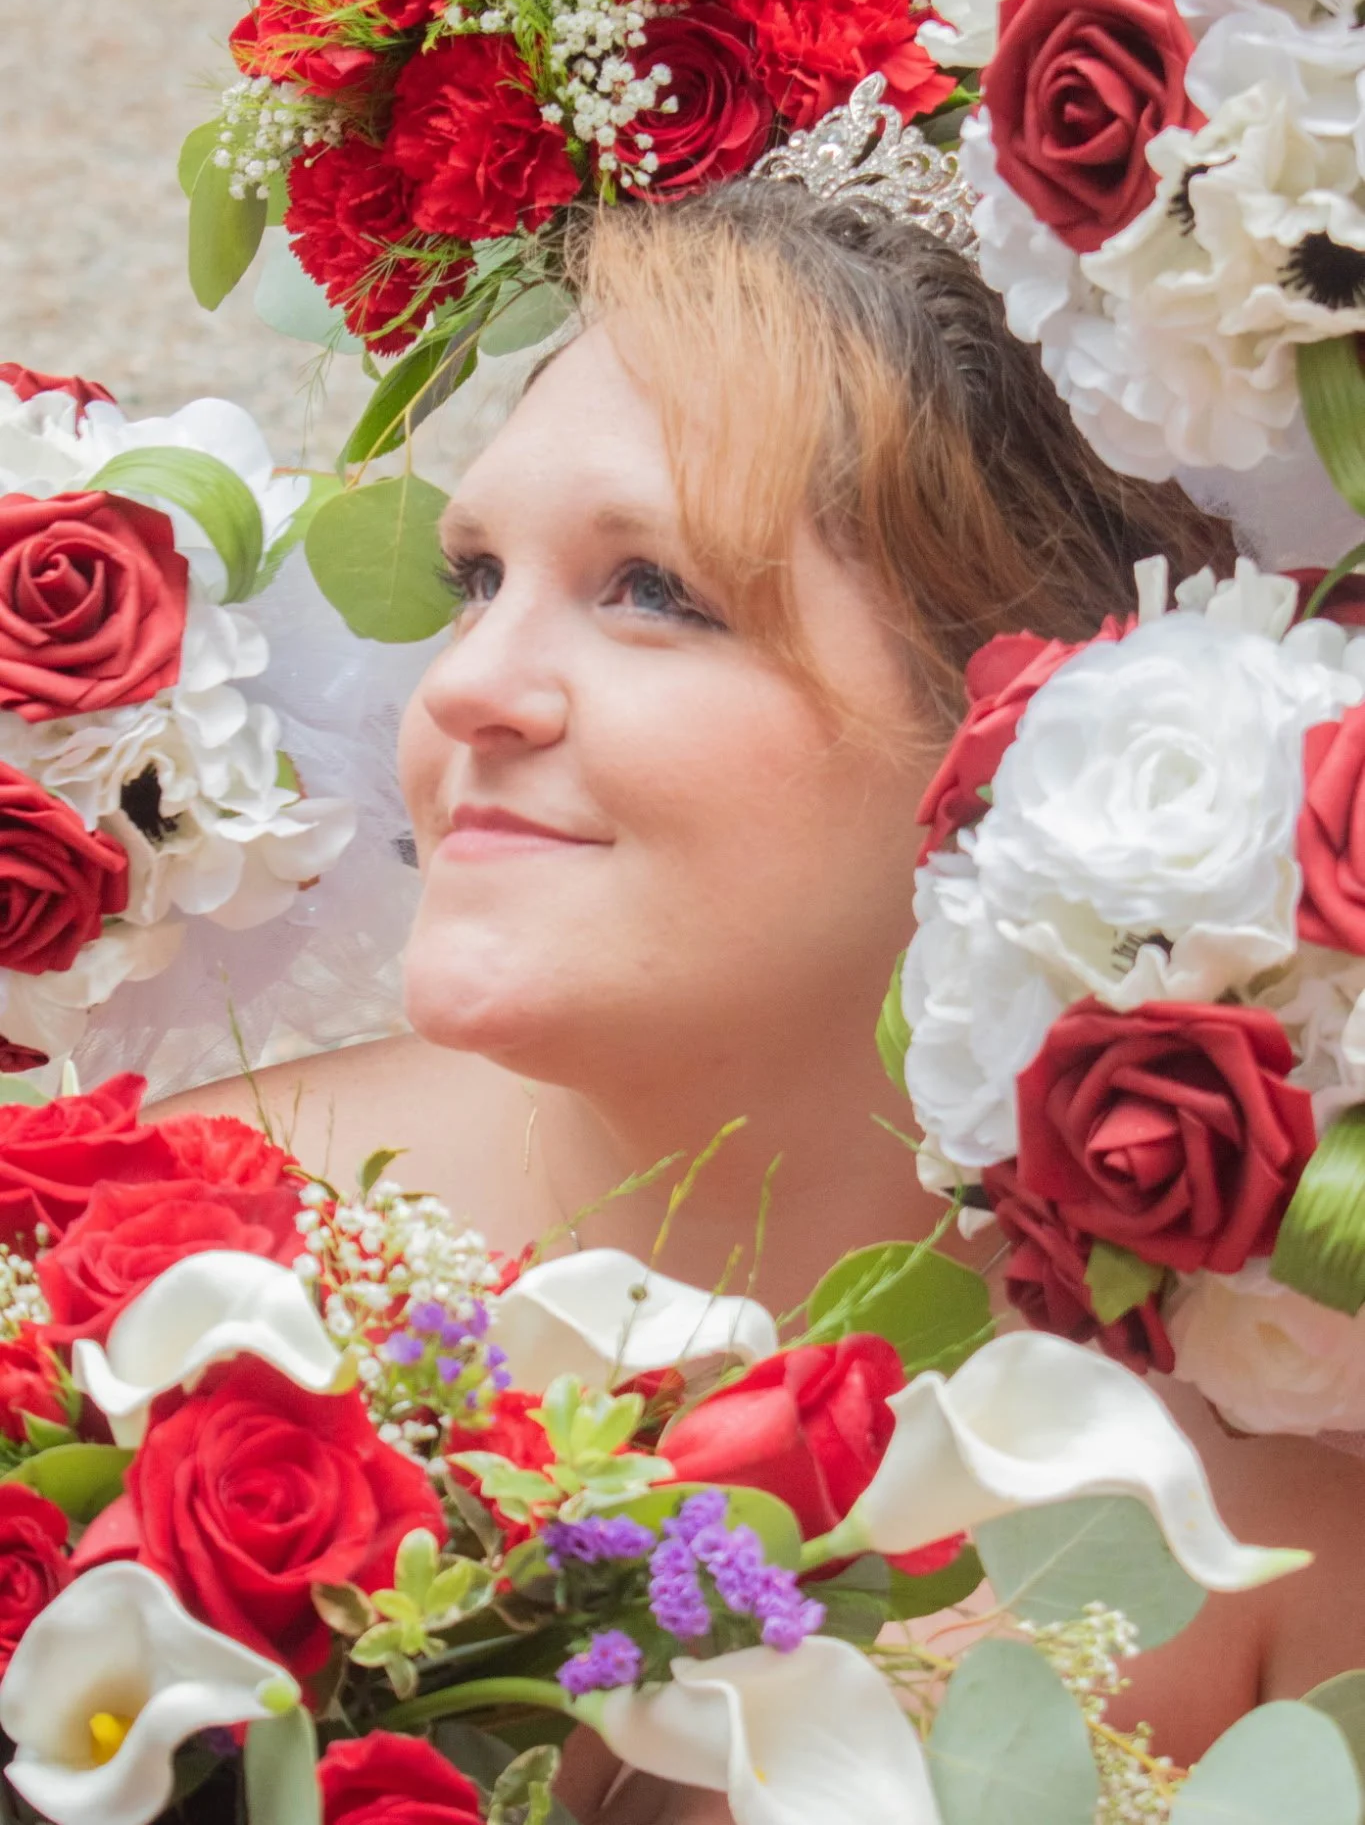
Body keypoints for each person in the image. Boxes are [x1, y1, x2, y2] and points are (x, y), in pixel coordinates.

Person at [159, 179, 1365, 1780]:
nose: (466, 687)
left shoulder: (1266, 1549)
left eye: (653, 590)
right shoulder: (152, 1247)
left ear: (1014, 728)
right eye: (473, 578)